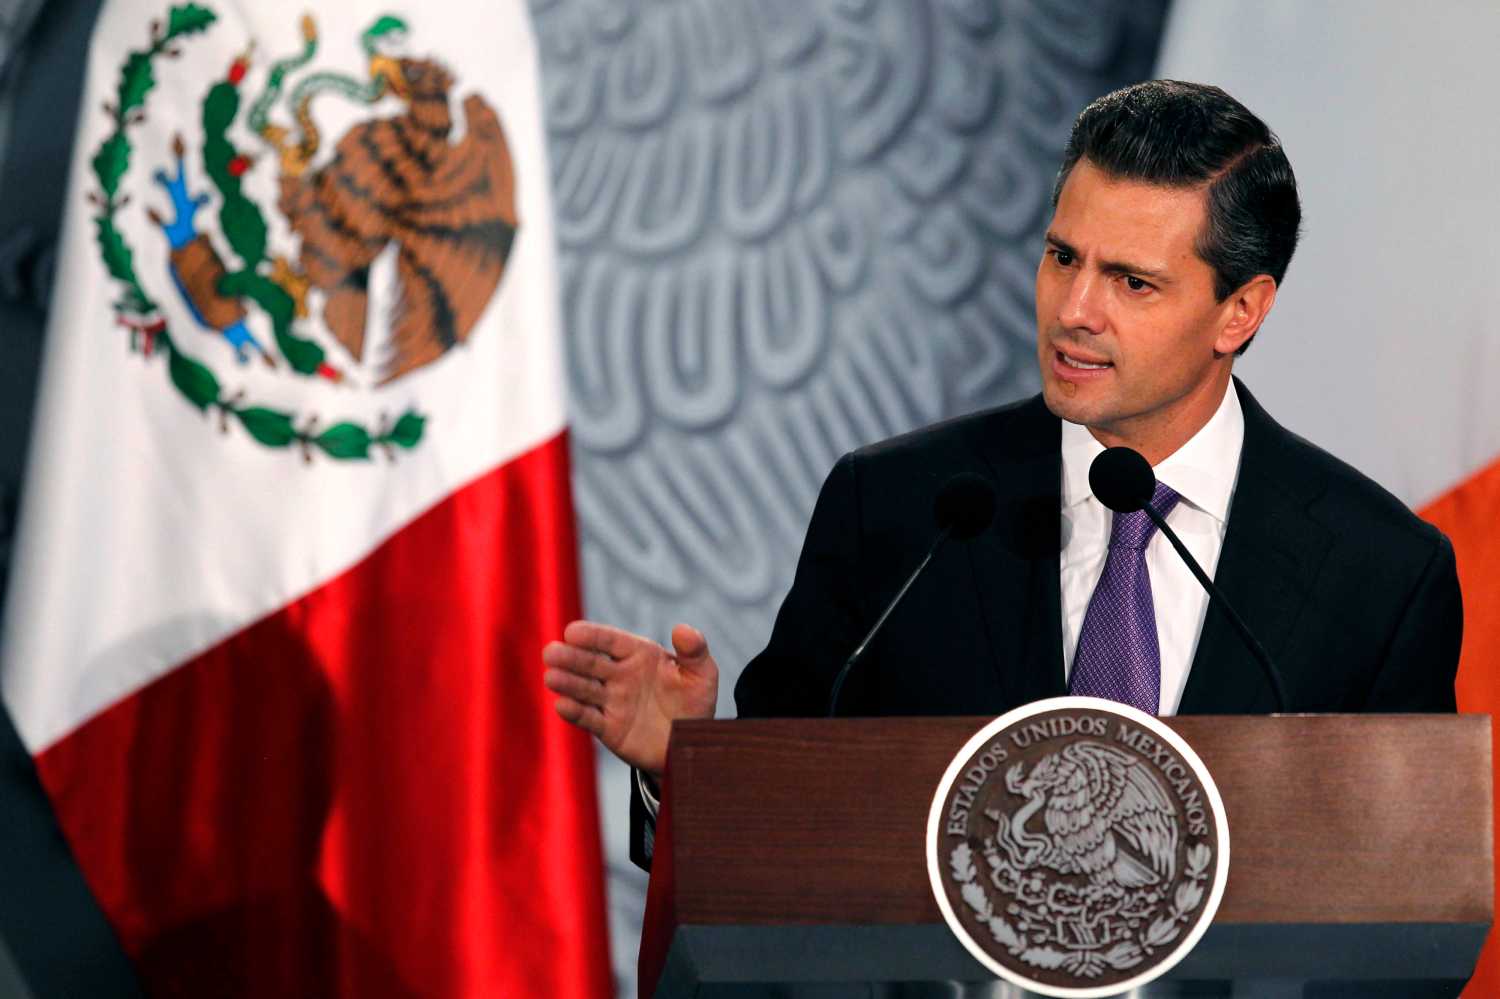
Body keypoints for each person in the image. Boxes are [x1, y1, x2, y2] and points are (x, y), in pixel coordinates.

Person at [540, 81, 1462, 868]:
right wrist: (685, 767)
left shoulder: (1379, 573)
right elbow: (790, 845)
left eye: (1132, 282)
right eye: (1062, 257)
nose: (1074, 310)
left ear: (1240, 312)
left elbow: (1408, 894)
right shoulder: (899, 511)